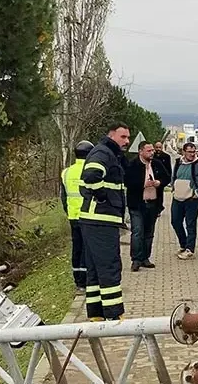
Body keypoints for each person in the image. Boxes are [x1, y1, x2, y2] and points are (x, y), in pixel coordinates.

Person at [78, 122, 130, 321]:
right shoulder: (104, 152)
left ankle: (96, 313)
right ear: (111, 135)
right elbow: (91, 175)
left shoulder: (108, 153)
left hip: (94, 220)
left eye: (128, 137)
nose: (126, 141)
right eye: (123, 137)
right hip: (101, 219)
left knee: (95, 268)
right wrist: (102, 197)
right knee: (109, 265)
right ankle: (114, 314)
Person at [124, 141, 170, 272]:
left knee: (149, 232)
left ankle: (145, 258)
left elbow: (167, 177)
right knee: (138, 231)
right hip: (137, 204)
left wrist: (158, 182)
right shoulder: (133, 164)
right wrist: (143, 184)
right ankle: (136, 259)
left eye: (152, 151)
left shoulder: (156, 164)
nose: (152, 153)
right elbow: (127, 181)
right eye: (149, 151)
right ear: (141, 151)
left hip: (153, 203)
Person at [60, 140, 94, 293]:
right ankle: (88, 279)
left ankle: (78, 280)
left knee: (77, 247)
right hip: (89, 216)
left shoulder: (66, 172)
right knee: (89, 248)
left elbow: (63, 196)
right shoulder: (91, 171)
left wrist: (68, 212)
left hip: (73, 216)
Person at [171, 143, 198, 260]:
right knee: (175, 222)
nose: (192, 154)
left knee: (190, 224)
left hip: (192, 200)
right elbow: (174, 178)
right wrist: (174, 189)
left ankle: (189, 249)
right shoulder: (178, 163)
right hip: (177, 198)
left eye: (194, 152)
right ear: (184, 152)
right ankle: (184, 244)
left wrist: (196, 194)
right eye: (190, 152)